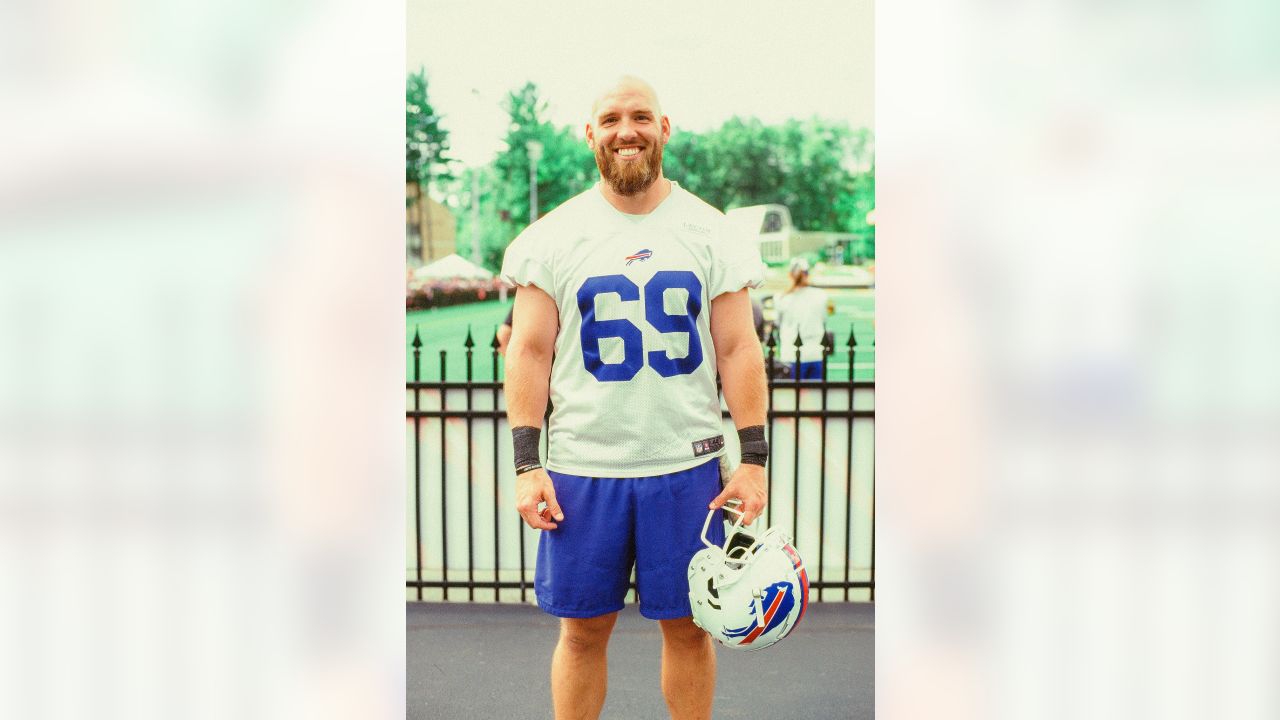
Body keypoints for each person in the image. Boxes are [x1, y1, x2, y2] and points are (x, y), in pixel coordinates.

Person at [500, 75, 770, 720]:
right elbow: (530, 351)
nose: (628, 130)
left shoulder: (711, 231)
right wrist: (525, 463)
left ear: (664, 128)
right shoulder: (552, 235)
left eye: (641, 116)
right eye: (612, 119)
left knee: (689, 627)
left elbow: (738, 348)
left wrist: (754, 458)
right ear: (589, 134)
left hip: (687, 466)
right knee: (583, 631)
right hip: (582, 468)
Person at [774, 257, 834, 380]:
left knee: (794, 397)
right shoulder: (821, 295)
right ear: (807, 274)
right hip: (816, 353)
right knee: (816, 397)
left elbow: (777, 323)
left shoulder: (781, 298)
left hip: (791, 354)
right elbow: (824, 319)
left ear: (790, 275)